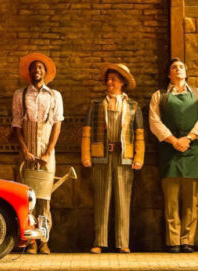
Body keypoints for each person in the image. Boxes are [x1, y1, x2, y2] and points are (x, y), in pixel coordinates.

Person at [81, 63, 145, 254]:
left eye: (114, 79)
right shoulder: (95, 105)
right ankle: (99, 241)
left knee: (123, 200)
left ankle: (122, 242)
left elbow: (140, 134)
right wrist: (86, 155)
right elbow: (86, 133)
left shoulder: (133, 106)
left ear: (122, 82)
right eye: (108, 79)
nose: (109, 82)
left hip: (124, 158)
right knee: (101, 200)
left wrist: (138, 157)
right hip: (101, 157)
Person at [149, 58, 198, 253]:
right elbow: (154, 121)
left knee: (191, 200)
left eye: (181, 67)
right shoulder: (159, 96)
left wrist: (188, 138)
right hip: (169, 150)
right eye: (174, 67)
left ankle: (188, 240)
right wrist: (173, 140)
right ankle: (173, 241)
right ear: (169, 74)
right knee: (171, 199)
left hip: (192, 150)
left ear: (186, 72)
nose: (178, 69)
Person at [10, 53, 63, 255]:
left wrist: (49, 152)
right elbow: (17, 125)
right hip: (26, 150)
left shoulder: (55, 95)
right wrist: (24, 150)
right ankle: (30, 241)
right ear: (29, 73)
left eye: (40, 68)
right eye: (33, 68)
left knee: (44, 198)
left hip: (46, 152)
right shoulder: (20, 94)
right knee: (26, 198)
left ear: (45, 72)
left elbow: (57, 125)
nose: (37, 71)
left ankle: (44, 241)